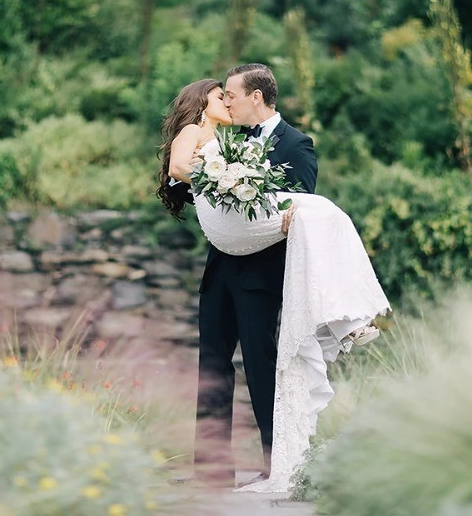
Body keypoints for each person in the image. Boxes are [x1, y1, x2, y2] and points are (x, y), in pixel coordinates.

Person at [157, 65, 390, 492]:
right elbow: (203, 192)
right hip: (220, 268)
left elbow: (298, 208)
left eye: (231, 94)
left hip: (262, 275)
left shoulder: (297, 144)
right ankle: (211, 470)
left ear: (257, 97)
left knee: (263, 366)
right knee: (211, 365)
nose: (226, 101)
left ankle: (274, 465)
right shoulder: (230, 140)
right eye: (221, 96)